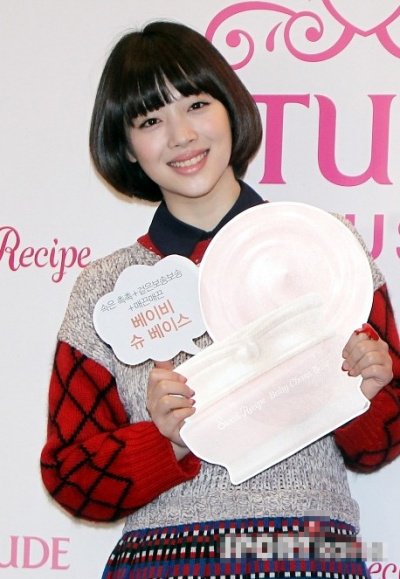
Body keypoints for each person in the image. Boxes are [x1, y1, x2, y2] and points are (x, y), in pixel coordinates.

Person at [40, 20, 400, 578]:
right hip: (167, 563)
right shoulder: (105, 290)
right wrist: (167, 441)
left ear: (230, 109)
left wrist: (361, 392)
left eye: (197, 104)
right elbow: (70, 476)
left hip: (308, 556)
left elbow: (379, 445)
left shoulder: (325, 248)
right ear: (127, 147)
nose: (181, 135)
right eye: (151, 120)